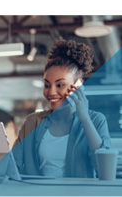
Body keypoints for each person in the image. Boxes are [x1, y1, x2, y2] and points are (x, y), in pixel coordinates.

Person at [12, 38, 111, 178]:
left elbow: (104, 171)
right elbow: (12, 165)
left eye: (60, 85)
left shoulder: (96, 120)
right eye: (47, 85)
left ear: (78, 86)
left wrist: (85, 119)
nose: (51, 92)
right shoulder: (32, 122)